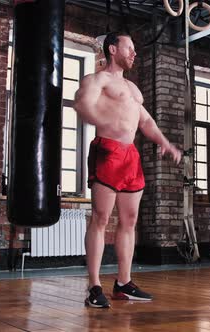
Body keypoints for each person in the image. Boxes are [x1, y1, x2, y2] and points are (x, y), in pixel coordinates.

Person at [73, 31, 182, 308]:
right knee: (100, 218)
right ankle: (94, 287)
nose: (134, 53)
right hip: (108, 151)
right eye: (129, 48)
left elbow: (145, 121)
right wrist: (102, 120)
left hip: (130, 156)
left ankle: (123, 283)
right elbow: (83, 103)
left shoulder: (133, 89)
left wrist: (165, 143)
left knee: (130, 220)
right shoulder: (97, 79)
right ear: (112, 49)